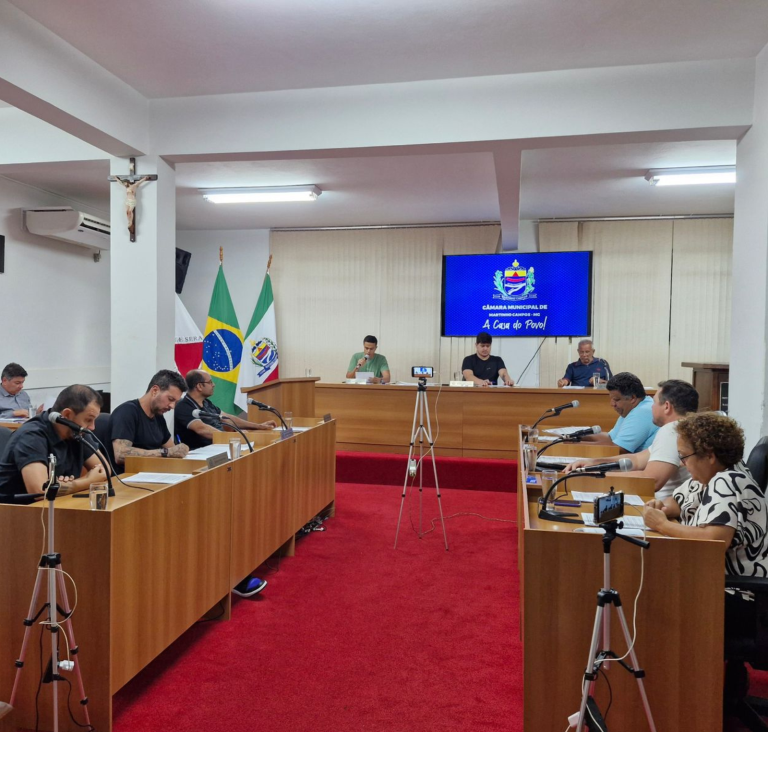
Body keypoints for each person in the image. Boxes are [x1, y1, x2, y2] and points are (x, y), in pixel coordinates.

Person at [565, 379, 699, 499]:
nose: (651, 406)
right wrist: (593, 463)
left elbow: (651, 480)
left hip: (660, 507)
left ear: (667, 406)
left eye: (654, 402)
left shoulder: (672, 431)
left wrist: (591, 476)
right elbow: (636, 460)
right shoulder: (681, 428)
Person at [0, 384, 106, 501]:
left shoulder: (77, 431)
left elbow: (104, 470)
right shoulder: (31, 436)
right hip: (17, 509)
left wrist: (65, 486)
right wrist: (87, 481)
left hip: (56, 505)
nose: (92, 427)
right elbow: (40, 491)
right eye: (88, 420)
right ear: (67, 415)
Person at [175, 369, 277, 449]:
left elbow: (227, 418)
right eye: (210, 382)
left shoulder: (206, 403)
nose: (213, 385)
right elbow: (202, 429)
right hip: (203, 452)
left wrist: (259, 426)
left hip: (221, 445)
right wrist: (233, 438)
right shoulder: (184, 406)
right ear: (199, 386)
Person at [110, 369, 190, 471]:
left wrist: (180, 450)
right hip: (129, 476)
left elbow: (172, 448)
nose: (172, 406)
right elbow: (121, 454)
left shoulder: (158, 416)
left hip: (152, 472)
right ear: (155, 391)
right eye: (170, 399)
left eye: (176, 402)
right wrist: (165, 453)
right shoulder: (127, 412)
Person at [580, 371, 658, 452]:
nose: (612, 404)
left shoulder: (642, 412)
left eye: (616, 400)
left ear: (632, 398)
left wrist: (576, 445)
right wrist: (579, 436)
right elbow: (610, 437)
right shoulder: (634, 407)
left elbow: (618, 449)